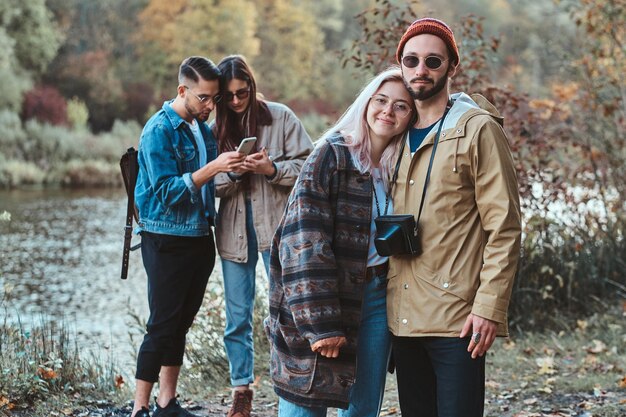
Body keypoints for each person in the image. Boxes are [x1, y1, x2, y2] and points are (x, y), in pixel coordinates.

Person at [388, 18, 522, 417]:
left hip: (457, 319)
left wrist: (489, 307)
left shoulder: (477, 129)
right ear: (400, 65)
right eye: (411, 61)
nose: (421, 70)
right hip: (402, 317)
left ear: (452, 67)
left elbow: (505, 227)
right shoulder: (393, 131)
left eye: (433, 61)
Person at [265, 67, 416, 417]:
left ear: (411, 116)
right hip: (320, 299)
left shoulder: (400, 167)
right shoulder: (331, 155)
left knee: (364, 407)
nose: (388, 112)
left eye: (401, 106)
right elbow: (303, 241)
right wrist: (322, 323)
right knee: (305, 403)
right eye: (381, 101)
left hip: (377, 297)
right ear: (366, 103)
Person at [131, 56, 246, 417]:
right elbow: (167, 191)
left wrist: (234, 169)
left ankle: (167, 403)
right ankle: (140, 408)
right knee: (161, 324)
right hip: (165, 240)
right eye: (203, 98)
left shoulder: (200, 127)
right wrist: (212, 167)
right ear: (182, 90)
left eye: (214, 99)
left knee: (181, 323)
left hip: (199, 236)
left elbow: (205, 185)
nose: (210, 106)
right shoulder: (158, 130)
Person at [211, 54, 314, 417]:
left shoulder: (282, 117)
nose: (237, 101)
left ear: (252, 86)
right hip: (234, 235)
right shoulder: (215, 130)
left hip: (279, 232)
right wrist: (234, 173)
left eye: (243, 92)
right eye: (229, 96)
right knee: (237, 316)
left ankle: (292, 383)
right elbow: (209, 187)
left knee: (287, 314)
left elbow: (309, 167)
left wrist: (271, 169)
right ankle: (242, 390)